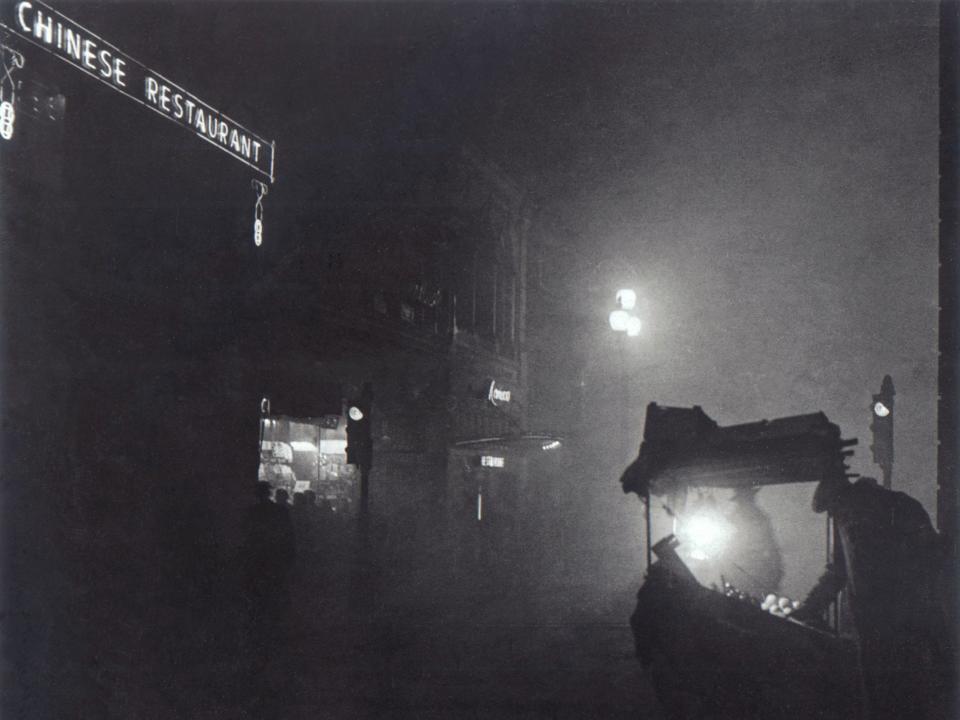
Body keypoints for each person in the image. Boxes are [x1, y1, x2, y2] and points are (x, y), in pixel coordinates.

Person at [793, 475, 952, 720]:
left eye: (834, 511)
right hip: (883, 627)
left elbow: (839, 572)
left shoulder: (873, 513)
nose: (835, 517)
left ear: (844, 499)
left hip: (899, 628)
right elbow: (839, 570)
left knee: (897, 698)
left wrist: (809, 609)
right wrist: (809, 609)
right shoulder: (886, 509)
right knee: (896, 699)